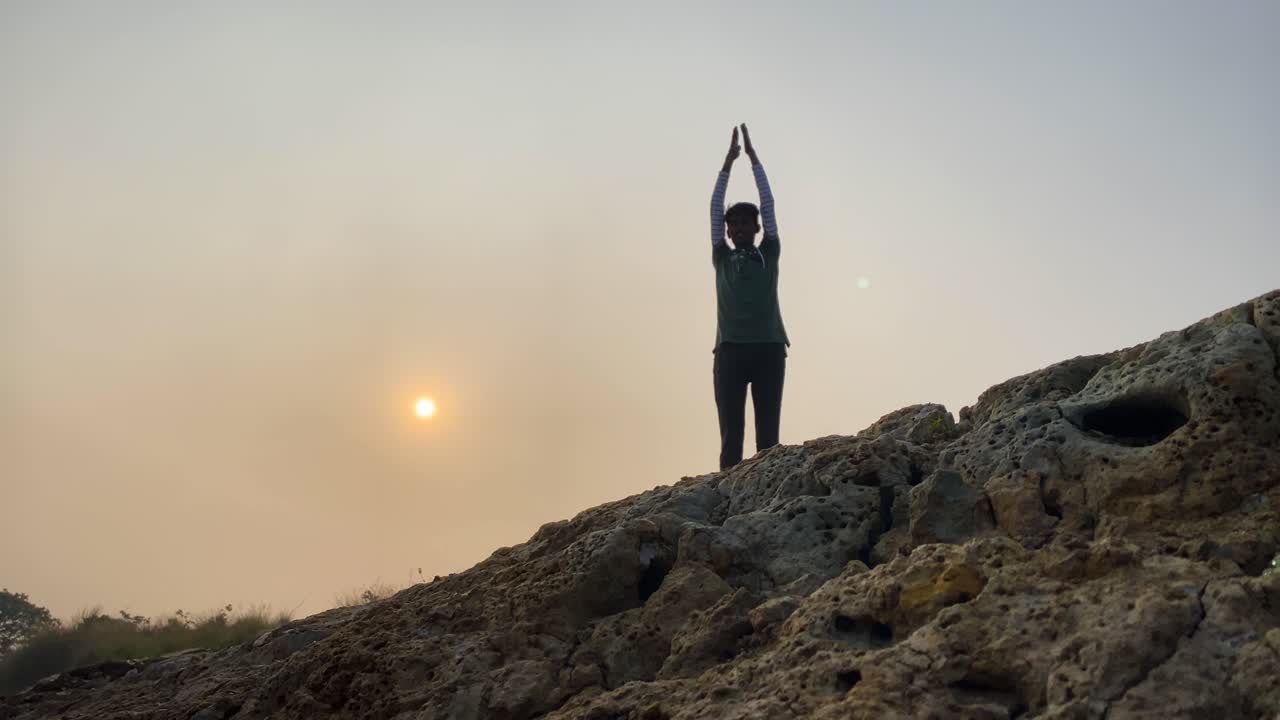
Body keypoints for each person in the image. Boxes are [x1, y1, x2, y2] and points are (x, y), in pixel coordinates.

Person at [709, 124, 790, 470]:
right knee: (731, 438)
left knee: (768, 438)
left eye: (747, 223)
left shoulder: (767, 252)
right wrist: (728, 163)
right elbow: (714, 207)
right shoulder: (722, 257)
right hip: (729, 350)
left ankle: (765, 498)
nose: (740, 227)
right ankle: (728, 501)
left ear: (757, 229)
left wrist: (754, 160)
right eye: (735, 224)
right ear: (728, 231)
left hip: (769, 347)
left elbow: (768, 203)